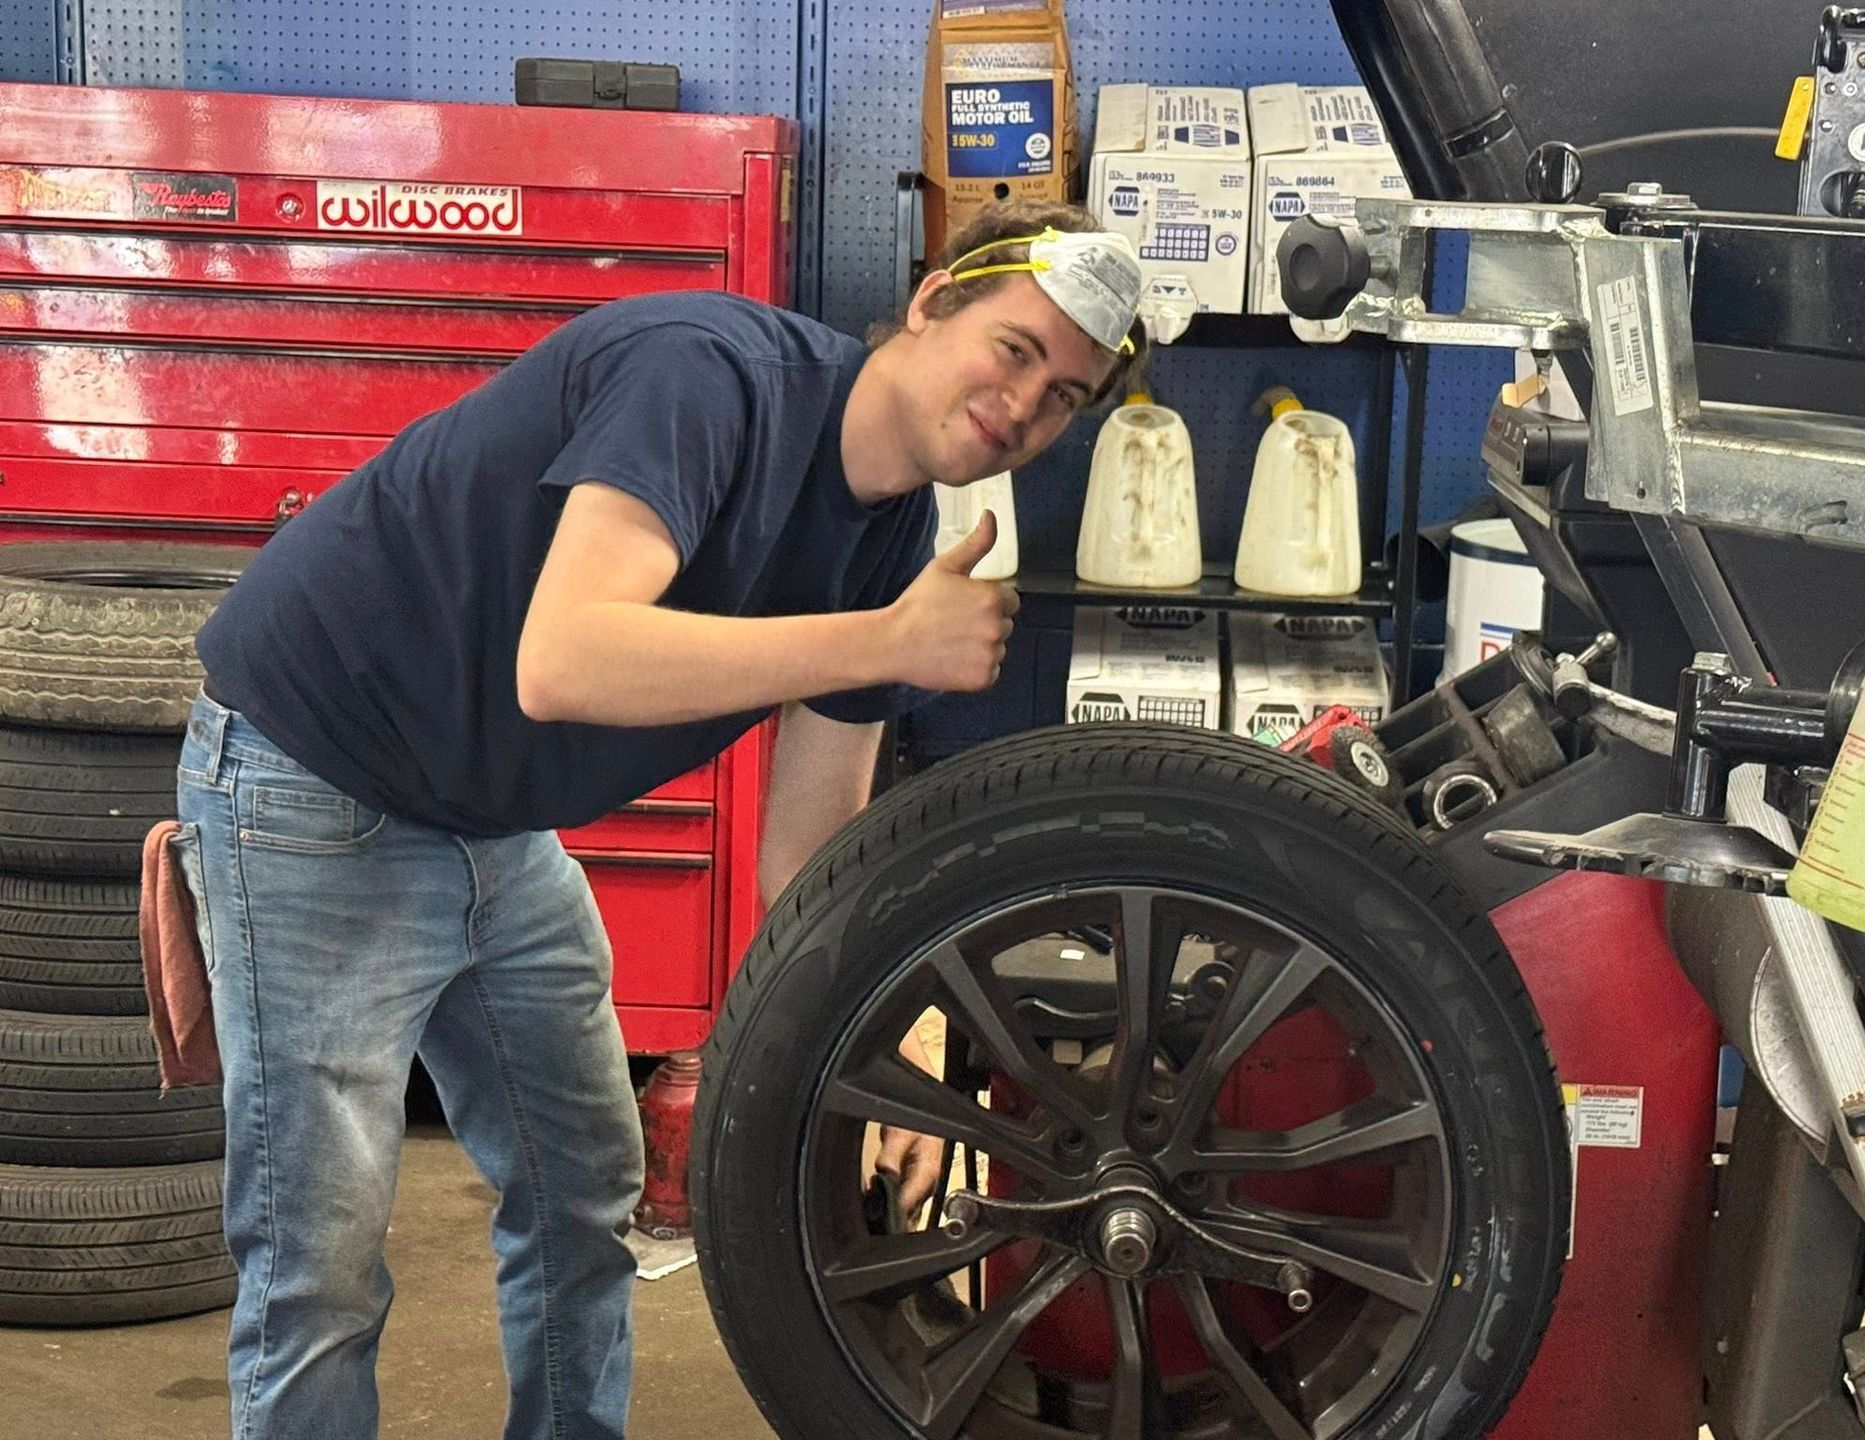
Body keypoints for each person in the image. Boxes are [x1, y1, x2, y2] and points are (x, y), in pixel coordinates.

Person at [174, 196, 1149, 1440]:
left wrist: (888, 1054)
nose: (1024, 407)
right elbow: (565, 659)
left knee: (585, 1190)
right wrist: (887, 641)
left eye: (1064, 396)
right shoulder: (710, 378)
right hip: (318, 782)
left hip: (493, 820)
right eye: (1016, 350)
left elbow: (811, 845)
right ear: (931, 303)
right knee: (317, 1260)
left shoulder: (896, 535)